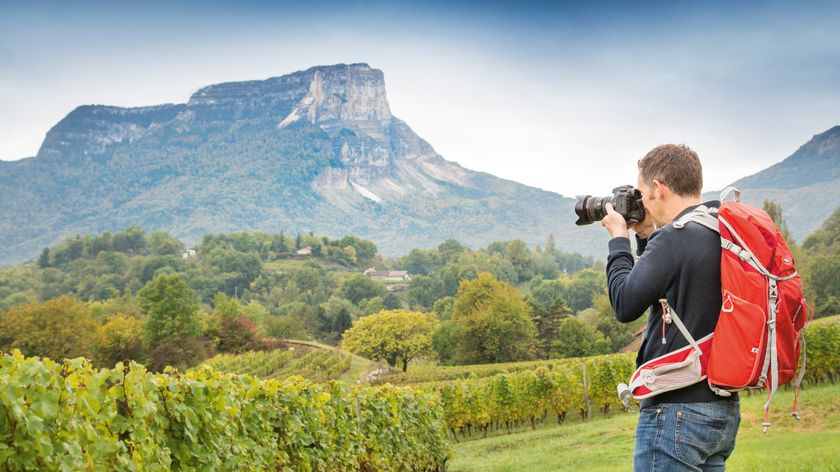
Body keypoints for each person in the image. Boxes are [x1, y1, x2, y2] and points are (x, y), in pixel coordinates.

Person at [600, 144, 740, 471]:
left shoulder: (675, 238)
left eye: (644, 195)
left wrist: (619, 239)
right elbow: (667, 287)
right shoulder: (718, 229)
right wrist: (647, 236)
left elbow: (624, 303)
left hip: (676, 411)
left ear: (659, 189)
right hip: (721, 410)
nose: (643, 203)